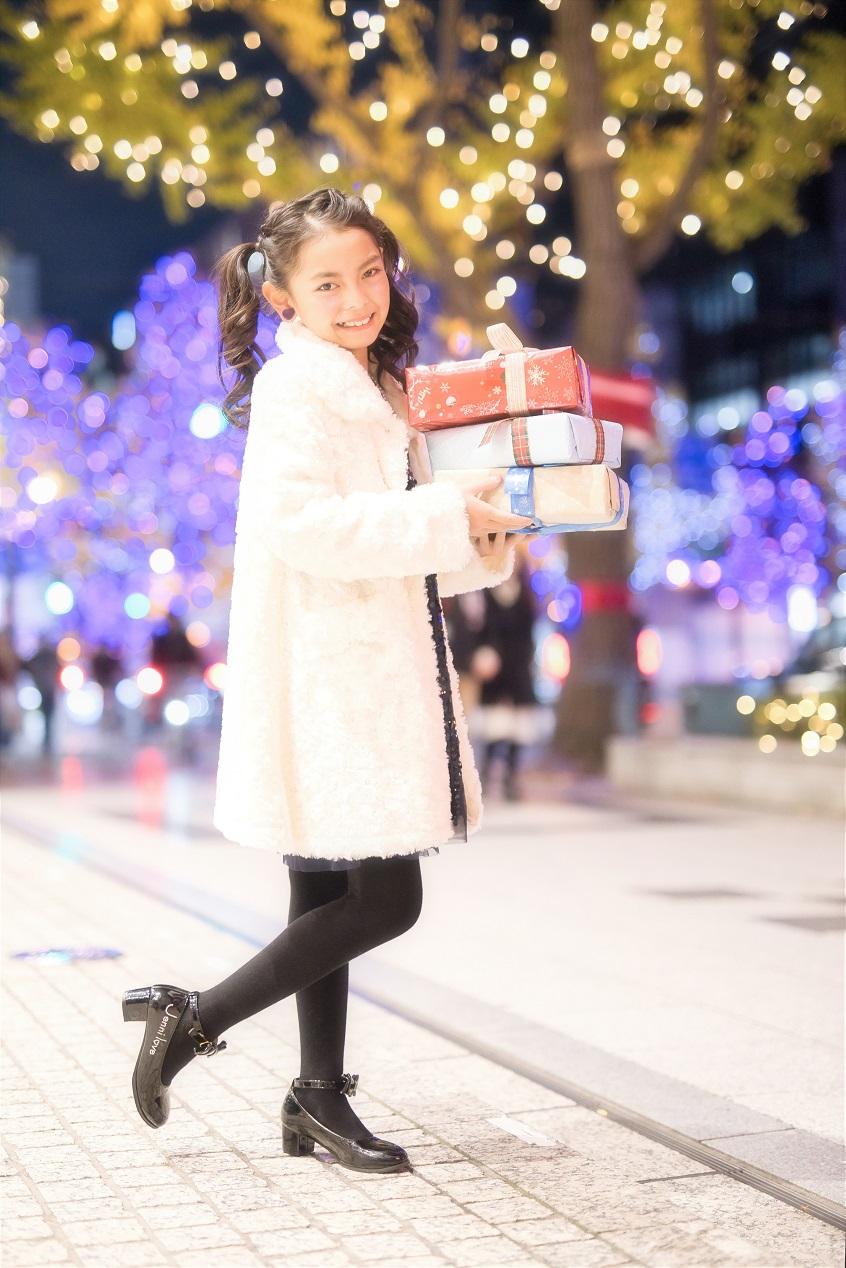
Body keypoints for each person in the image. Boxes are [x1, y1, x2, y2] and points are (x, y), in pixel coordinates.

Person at [121, 186, 534, 1175]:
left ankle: (316, 1096)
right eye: (328, 284)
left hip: (359, 658)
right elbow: (300, 526)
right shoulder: (298, 388)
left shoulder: (379, 386)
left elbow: (410, 544)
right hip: (334, 673)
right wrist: (445, 517)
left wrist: (475, 538)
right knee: (387, 899)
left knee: (322, 895)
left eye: (370, 274)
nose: (357, 298)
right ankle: (195, 1017)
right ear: (284, 298)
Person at [470, 558, 539, 801]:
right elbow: (480, 632)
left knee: (517, 731)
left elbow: (529, 634)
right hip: (495, 672)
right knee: (494, 730)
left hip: (518, 671)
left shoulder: (526, 595)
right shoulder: (486, 592)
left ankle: (511, 778)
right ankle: (487, 777)